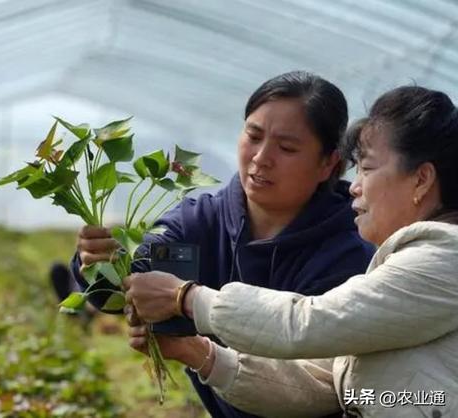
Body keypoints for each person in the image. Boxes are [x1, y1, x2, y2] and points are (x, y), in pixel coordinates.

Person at [124, 85, 458, 417]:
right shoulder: (405, 263)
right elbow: (315, 383)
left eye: (368, 169)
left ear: (422, 180)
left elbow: (309, 322)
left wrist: (187, 298)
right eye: (254, 136)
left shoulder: (444, 259)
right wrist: (196, 351)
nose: (355, 186)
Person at [73, 71, 375, 418]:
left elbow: (309, 391)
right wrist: (100, 262)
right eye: (253, 135)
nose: (261, 157)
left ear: (329, 164)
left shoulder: (349, 256)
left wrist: (193, 344)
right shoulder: (201, 221)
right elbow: (133, 282)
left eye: (287, 147)